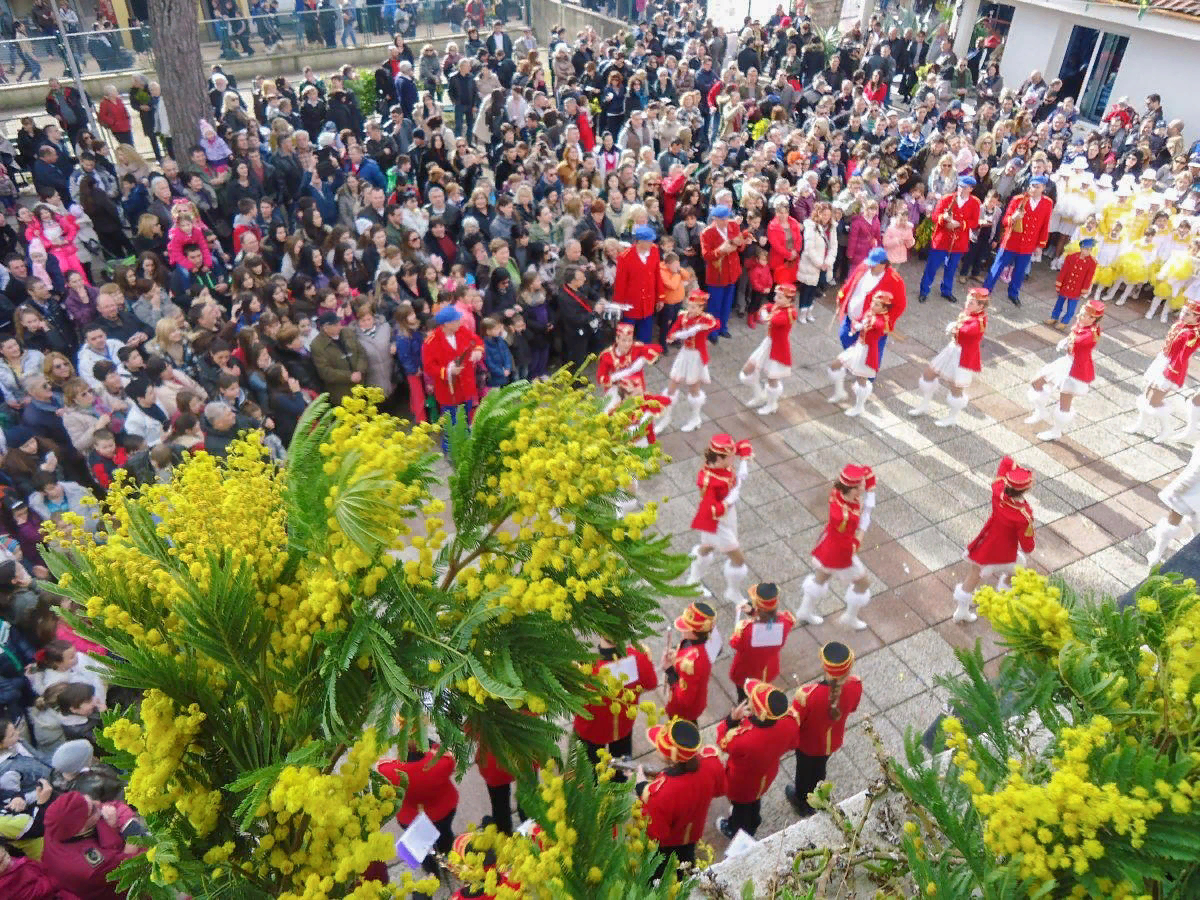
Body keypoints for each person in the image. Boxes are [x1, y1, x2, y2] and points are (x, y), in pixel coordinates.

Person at [635, 718, 724, 877]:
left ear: (672, 758)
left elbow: (656, 833)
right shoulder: (712, 762)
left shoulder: (660, 794)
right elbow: (720, 789)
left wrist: (641, 787)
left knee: (658, 872)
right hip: (694, 831)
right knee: (687, 860)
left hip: (668, 842)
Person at [954, 457, 1036, 623]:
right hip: (1004, 553)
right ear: (1026, 489)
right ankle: (1004, 598)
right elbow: (1027, 546)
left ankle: (961, 611)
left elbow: (1006, 461)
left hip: (985, 544)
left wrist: (1015, 471)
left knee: (973, 575)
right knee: (1018, 568)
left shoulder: (998, 491)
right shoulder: (1023, 514)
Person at [715, 678, 799, 839]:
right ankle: (754, 819)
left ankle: (736, 828)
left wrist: (731, 720)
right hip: (767, 774)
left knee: (741, 806)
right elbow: (792, 744)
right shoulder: (789, 722)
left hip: (742, 782)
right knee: (754, 801)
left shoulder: (742, 738)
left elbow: (722, 742)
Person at [785, 641, 861, 817]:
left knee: (803, 772)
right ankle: (818, 794)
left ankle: (801, 800)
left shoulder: (807, 695)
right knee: (820, 767)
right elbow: (853, 707)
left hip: (808, 744)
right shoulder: (855, 685)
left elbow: (794, 722)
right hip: (833, 740)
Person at [796, 464, 876, 630]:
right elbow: (850, 542)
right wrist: (862, 531)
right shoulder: (843, 516)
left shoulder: (838, 492)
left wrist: (868, 483)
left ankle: (804, 611)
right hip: (840, 552)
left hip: (828, 546)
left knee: (821, 577)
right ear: (852, 490)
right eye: (861, 485)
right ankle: (850, 617)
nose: (864, 487)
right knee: (863, 583)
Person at [684, 433, 753, 605]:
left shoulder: (722, 460)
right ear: (720, 458)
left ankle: (693, 580)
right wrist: (730, 499)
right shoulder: (708, 480)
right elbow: (710, 510)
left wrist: (744, 462)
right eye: (731, 457)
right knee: (738, 560)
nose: (733, 458)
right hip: (716, 523)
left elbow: (744, 444)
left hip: (728, 516)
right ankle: (733, 592)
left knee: (706, 548)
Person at [908, 286, 990, 427]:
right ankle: (924, 405)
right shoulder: (970, 312)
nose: (967, 304)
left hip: (963, 357)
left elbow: (969, 330)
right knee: (929, 374)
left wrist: (955, 327)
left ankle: (952, 417)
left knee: (955, 388)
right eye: (967, 301)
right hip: (952, 349)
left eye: (971, 303)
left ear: (981, 306)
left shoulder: (979, 321)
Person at [377, 740, 457, 882]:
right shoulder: (441, 763)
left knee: (422, 847)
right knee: (445, 836)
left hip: (411, 817)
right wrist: (433, 746)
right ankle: (447, 861)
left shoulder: (391, 770)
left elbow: (380, 765)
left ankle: (432, 873)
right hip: (441, 811)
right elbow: (450, 758)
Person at [572, 637, 657, 770]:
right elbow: (651, 683)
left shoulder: (586, 672)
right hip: (623, 726)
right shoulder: (638, 657)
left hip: (592, 731)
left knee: (589, 772)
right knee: (621, 771)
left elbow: (573, 705)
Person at [1026, 298, 1104, 442]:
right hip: (1066, 362)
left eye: (1090, 317)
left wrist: (1069, 341)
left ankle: (1056, 431)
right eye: (1084, 313)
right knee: (1036, 383)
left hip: (1076, 370)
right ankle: (1040, 412)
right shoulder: (1083, 325)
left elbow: (1080, 340)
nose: (1084, 317)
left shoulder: (1090, 334)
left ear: (1095, 320)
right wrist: (1066, 340)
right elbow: (1075, 333)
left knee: (1064, 404)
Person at [1124, 296, 1200, 443]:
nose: (1182, 315)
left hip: (1172, 368)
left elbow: (1182, 356)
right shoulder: (1181, 325)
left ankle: (1166, 429)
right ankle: (1140, 424)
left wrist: (1171, 372)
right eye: (1183, 312)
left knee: (1155, 400)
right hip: (1163, 360)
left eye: (1187, 314)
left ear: (1197, 318)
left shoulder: (1193, 335)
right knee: (1147, 394)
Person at [983, 175, 1054, 306]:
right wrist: (1013, 218)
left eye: (1037, 186)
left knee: (1020, 271)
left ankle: (1013, 293)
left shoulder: (1048, 203)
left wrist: (1040, 245)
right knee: (997, 267)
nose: (1033, 189)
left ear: (1043, 188)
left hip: (1028, 243)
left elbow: (1045, 225)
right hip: (1011, 241)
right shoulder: (1018, 199)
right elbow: (1005, 221)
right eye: (1032, 185)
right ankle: (985, 291)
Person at [833, 246, 907, 373]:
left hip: (873, 327)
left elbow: (900, 305)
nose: (870, 266)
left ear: (884, 264)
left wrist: (885, 322)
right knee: (845, 337)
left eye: (874, 264)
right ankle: (854, 363)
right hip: (852, 320)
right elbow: (850, 283)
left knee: (871, 356)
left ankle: (867, 379)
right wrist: (841, 298)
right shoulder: (863, 266)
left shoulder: (895, 280)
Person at [827, 290, 894, 418]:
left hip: (867, 352)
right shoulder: (871, 313)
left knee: (861, 380)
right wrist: (856, 323)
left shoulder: (883, 319)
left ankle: (859, 407)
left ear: (885, 308)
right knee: (836, 364)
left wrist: (868, 322)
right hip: (858, 346)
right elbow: (858, 319)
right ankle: (839, 392)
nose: (872, 306)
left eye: (877, 305)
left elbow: (880, 326)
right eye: (873, 303)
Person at [662, 289, 718, 432]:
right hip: (684, 354)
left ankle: (695, 418)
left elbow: (716, 324)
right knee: (672, 384)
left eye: (694, 307)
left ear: (701, 308)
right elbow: (674, 328)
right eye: (689, 306)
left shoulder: (705, 319)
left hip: (697, 357)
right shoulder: (683, 316)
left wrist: (705, 327)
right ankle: (666, 418)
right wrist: (671, 335)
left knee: (694, 389)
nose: (690, 309)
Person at [727, 582, 794, 701]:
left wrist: (753, 613)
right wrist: (753, 613)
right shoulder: (786, 622)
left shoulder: (745, 629)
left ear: (757, 606)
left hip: (746, 671)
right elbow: (770, 620)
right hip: (768, 668)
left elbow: (734, 643)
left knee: (744, 696)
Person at [918, 176, 980, 303]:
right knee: (932, 267)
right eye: (959, 186)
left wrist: (960, 224)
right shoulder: (947, 198)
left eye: (964, 187)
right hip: (942, 240)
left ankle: (946, 290)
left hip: (959, 242)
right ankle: (924, 290)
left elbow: (974, 222)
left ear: (971, 189)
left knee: (951, 269)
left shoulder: (975, 203)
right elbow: (935, 217)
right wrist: (944, 218)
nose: (960, 189)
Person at [739, 282, 798, 415]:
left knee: (772, 379)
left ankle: (772, 404)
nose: (776, 299)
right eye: (777, 296)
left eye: (780, 297)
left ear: (789, 300)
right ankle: (759, 395)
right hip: (768, 343)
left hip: (778, 348)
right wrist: (765, 308)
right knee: (747, 371)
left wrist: (765, 311)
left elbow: (771, 319)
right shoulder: (780, 306)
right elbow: (767, 306)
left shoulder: (789, 313)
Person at [661, 600, 715, 724]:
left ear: (694, 632)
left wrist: (669, 670)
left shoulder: (692, 663)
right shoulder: (700, 641)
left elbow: (684, 699)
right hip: (697, 696)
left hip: (683, 710)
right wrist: (676, 657)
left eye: (686, 628)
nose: (682, 631)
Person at [699, 205, 748, 341]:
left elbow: (741, 247)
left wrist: (740, 244)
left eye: (727, 217)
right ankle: (712, 331)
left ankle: (723, 327)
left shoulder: (733, 225)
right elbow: (706, 255)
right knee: (715, 305)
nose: (726, 221)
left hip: (732, 273)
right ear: (715, 219)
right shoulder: (706, 233)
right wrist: (721, 250)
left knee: (727, 303)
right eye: (722, 219)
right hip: (717, 275)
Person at [612, 225, 664, 343]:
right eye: (649, 241)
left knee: (646, 336)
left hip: (648, 302)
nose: (652, 243)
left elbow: (657, 274)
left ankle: (644, 356)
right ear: (640, 241)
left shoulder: (654, 250)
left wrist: (660, 297)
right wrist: (619, 305)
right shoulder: (624, 257)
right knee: (626, 335)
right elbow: (620, 284)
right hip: (631, 304)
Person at [594, 321, 661, 410]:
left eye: (630, 340)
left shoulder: (637, 348)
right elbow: (601, 379)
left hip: (636, 389)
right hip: (616, 389)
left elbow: (657, 350)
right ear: (617, 339)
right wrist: (629, 371)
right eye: (623, 340)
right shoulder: (607, 356)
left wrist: (642, 359)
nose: (627, 344)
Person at [309, 310, 369, 404]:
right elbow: (325, 372)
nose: (340, 327)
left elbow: (361, 353)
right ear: (325, 328)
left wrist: (360, 370)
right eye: (336, 325)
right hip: (342, 393)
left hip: (362, 384)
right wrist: (349, 376)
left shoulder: (347, 332)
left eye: (339, 323)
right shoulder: (317, 346)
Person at [1044, 238, 1098, 329]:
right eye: (1086, 249)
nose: (1088, 251)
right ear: (1081, 248)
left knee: (1071, 308)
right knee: (1059, 304)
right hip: (1066, 285)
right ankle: (1054, 317)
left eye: (1090, 249)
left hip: (1077, 288)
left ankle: (1064, 322)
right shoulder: (1071, 257)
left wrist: (1084, 289)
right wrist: (1059, 283)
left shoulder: (1092, 262)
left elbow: (1088, 278)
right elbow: (1064, 271)